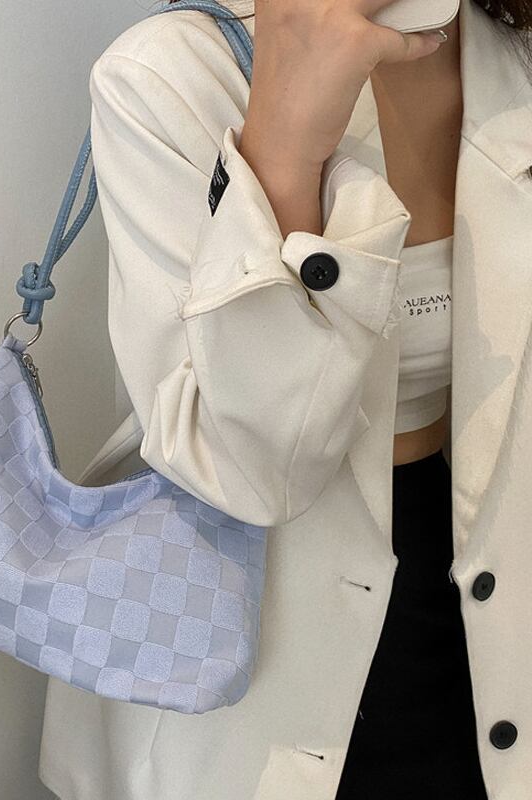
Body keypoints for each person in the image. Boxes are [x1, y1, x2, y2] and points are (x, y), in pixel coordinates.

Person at [38, 0, 532, 797]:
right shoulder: (169, 76)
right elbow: (249, 471)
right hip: (256, 664)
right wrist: (282, 151)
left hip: (491, 609)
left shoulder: (509, 54)